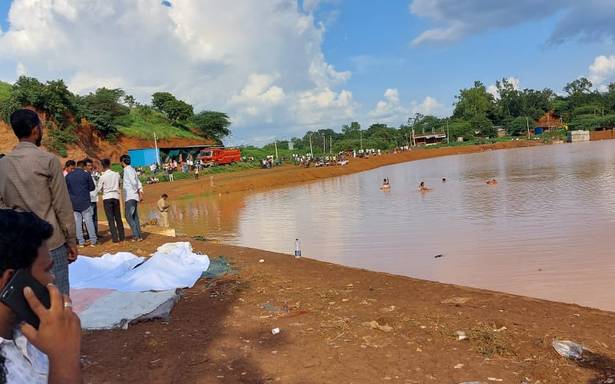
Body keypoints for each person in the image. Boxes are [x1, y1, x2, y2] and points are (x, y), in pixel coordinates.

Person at [0, 109, 77, 295]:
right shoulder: (48, 160)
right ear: (36, 130)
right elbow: (62, 205)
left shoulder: (3, 164)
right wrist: (71, 240)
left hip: (19, 246)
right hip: (51, 243)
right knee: (59, 298)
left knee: (27, 301)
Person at [0, 210, 82, 384]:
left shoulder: (30, 333)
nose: (52, 278)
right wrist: (64, 359)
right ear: (10, 281)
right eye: (47, 269)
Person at [65, 160, 97, 247]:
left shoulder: (68, 176)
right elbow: (92, 187)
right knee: (89, 221)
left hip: (74, 203)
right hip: (85, 201)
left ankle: (81, 242)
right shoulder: (86, 175)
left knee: (77, 223)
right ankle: (93, 241)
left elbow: (66, 190)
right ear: (83, 167)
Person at [97, 159, 125, 243]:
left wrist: (102, 190)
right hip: (116, 196)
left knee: (110, 219)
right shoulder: (116, 174)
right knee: (118, 218)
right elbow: (120, 184)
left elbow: (98, 189)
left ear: (102, 166)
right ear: (109, 165)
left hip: (107, 197)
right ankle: (122, 236)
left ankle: (115, 238)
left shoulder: (102, 177)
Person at [120, 154, 144, 241]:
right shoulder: (132, 169)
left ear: (122, 162)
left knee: (128, 216)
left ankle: (136, 235)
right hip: (134, 196)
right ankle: (139, 235)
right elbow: (138, 182)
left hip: (130, 196)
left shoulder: (126, 170)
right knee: (134, 217)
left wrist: (136, 190)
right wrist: (140, 192)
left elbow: (134, 182)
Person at [83, 158, 99, 237]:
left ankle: (95, 233)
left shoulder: (92, 174)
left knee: (95, 218)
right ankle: (91, 235)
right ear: (85, 167)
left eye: (91, 165)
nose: (90, 167)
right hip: (88, 200)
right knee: (89, 218)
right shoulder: (84, 175)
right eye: (88, 165)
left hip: (94, 199)